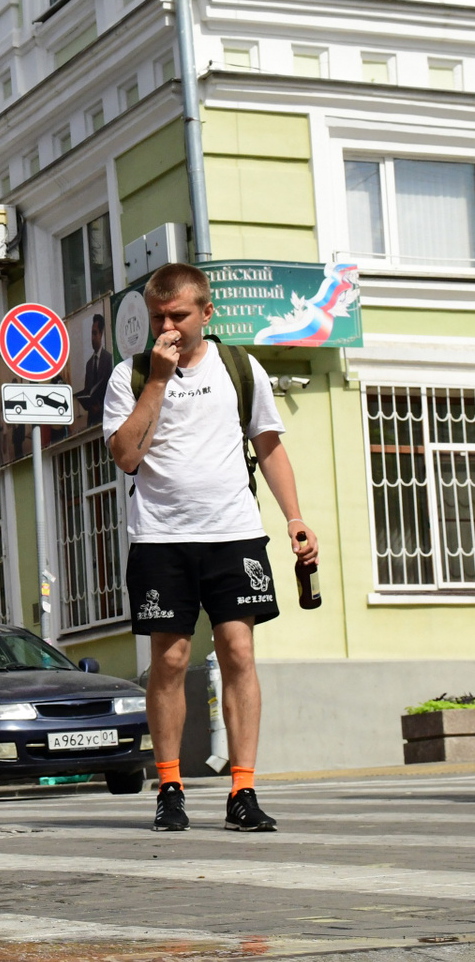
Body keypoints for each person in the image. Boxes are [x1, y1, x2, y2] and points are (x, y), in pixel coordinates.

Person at [103, 262, 317, 833]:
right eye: (157, 317)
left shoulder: (239, 368)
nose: (167, 327)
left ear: (206, 313)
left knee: (238, 651)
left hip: (233, 533)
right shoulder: (130, 376)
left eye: (178, 315)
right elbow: (126, 456)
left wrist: (295, 518)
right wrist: (157, 381)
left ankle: (242, 791)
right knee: (170, 659)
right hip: (160, 537)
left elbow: (268, 447)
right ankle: (169, 787)